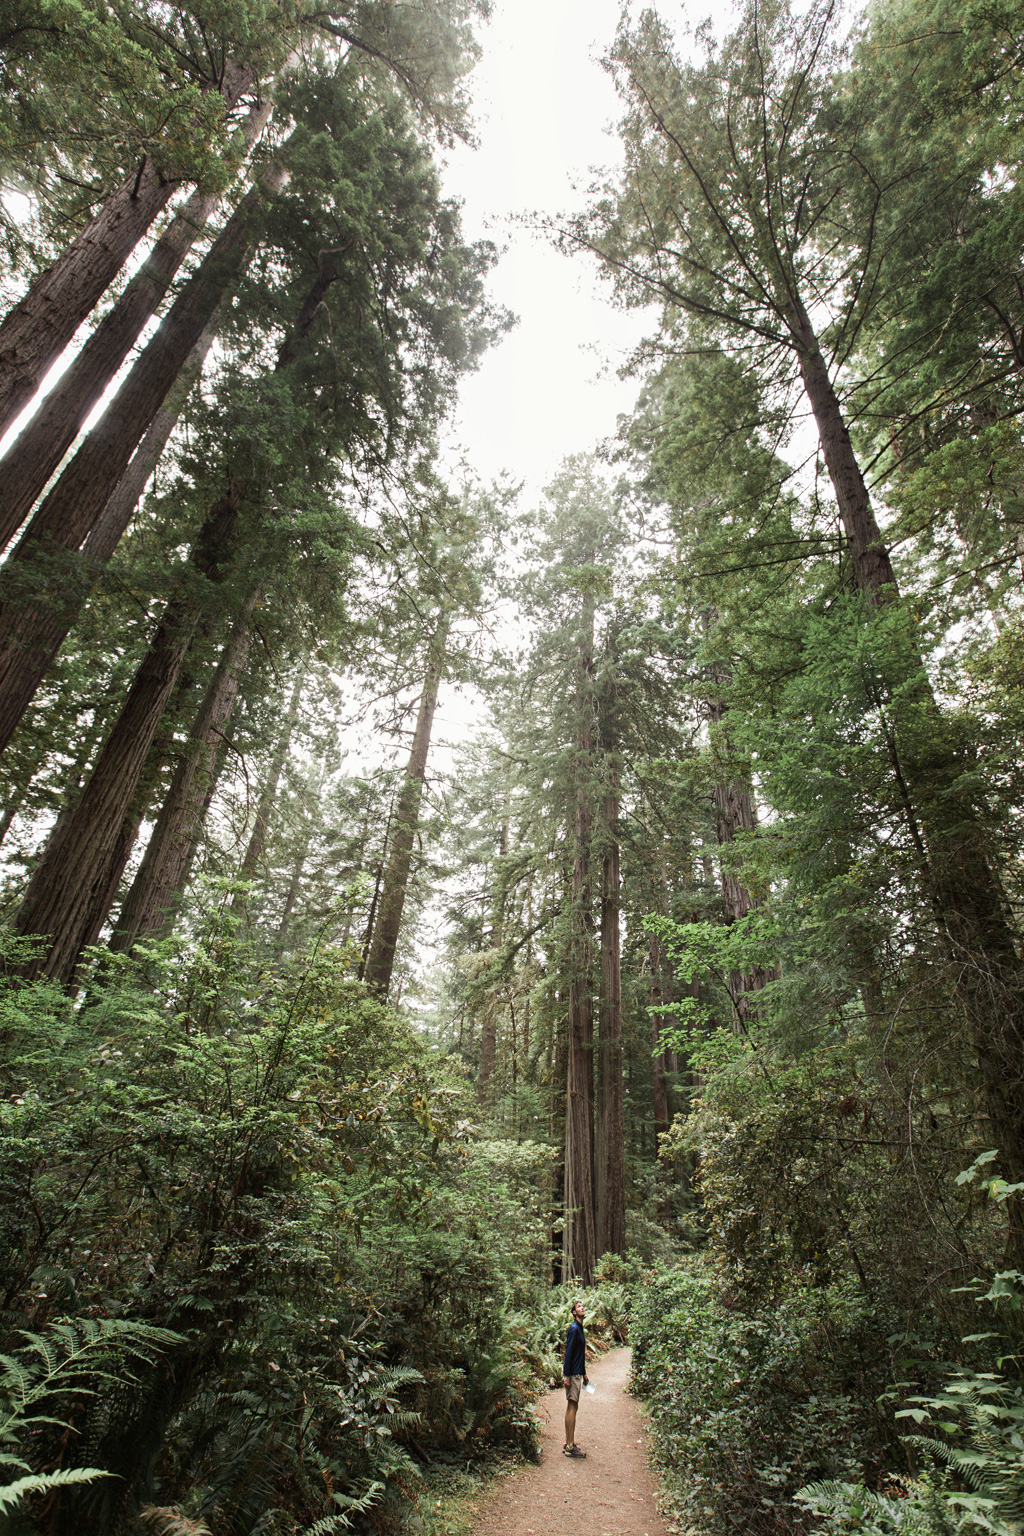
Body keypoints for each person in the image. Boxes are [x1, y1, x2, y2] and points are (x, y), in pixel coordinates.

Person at [562, 1298, 588, 1458]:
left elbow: (579, 1354)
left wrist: (584, 1373)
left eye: (582, 1306)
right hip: (573, 1375)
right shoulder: (574, 1329)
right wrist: (567, 1376)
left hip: (578, 1373)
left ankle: (569, 1442)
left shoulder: (579, 1328)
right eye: (579, 1307)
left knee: (573, 1407)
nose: (582, 1308)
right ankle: (570, 1446)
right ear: (574, 1312)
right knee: (572, 1407)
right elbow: (569, 1353)